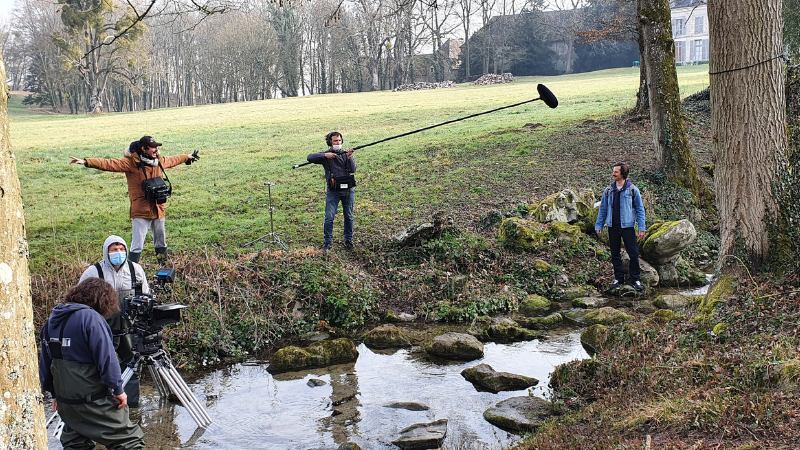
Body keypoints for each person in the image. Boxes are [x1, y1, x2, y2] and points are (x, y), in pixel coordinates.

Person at [39, 278, 145, 450]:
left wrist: (53, 393)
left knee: (75, 442)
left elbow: (45, 362)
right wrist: (118, 390)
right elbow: (107, 358)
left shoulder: (52, 320)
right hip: (92, 399)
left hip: (66, 401)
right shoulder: (91, 318)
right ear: (103, 300)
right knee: (129, 441)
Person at [69, 135, 199, 263]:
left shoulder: (158, 161)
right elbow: (109, 164)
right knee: (137, 245)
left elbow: (173, 159)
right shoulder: (131, 163)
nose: (156, 150)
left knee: (161, 242)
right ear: (144, 149)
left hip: (158, 207)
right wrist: (86, 162)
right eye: (153, 148)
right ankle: (131, 269)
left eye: (156, 147)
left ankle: (163, 265)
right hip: (141, 209)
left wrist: (187, 157)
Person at [79, 235, 149, 408]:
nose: (118, 252)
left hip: (129, 326)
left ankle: (130, 406)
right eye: (114, 249)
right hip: (102, 327)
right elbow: (80, 302)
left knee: (132, 363)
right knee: (100, 363)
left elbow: (145, 296)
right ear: (106, 252)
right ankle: (99, 404)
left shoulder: (135, 270)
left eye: (121, 249)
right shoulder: (93, 272)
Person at [594, 162, 647, 291]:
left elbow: (640, 209)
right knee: (615, 254)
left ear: (622, 173)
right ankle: (619, 279)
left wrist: (641, 228)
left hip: (628, 227)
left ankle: (635, 280)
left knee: (633, 254)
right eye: (613, 171)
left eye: (616, 172)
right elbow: (603, 209)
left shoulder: (632, 190)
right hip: (612, 227)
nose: (613, 174)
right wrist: (599, 224)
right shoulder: (608, 190)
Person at [307, 131, 357, 250]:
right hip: (333, 191)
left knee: (349, 216)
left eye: (339, 141)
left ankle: (348, 240)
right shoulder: (326, 156)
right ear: (330, 143)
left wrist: (349, 157)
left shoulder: (345, 154)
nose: (338, 143)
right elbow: (310, 157)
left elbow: (352, 170)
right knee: (329, 217)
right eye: (335, 141)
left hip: (348, 190)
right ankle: (327, 242)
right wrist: (325, 155)